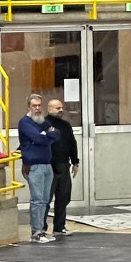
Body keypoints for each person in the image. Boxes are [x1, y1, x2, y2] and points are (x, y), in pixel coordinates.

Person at [18, 94, 57, 244]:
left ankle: (42, 229)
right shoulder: (25, 123)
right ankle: (36, 233)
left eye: (39, 105)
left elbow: (57, 134)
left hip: (47, 164)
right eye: (34, 106)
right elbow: (38, 138)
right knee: (37, 200)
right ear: (29, 106)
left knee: (45, 199)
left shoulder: (43, 121)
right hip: (34, 166)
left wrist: (47, 134)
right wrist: (47, 135)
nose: (37, 108)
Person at [44, 97, 79, 238]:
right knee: (46, 198)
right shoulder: (43, 124)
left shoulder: (65, 125)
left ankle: (59, 226)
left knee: (63, 197)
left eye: (61, 108)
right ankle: (41, 228)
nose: (61, 110)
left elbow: (72, 143)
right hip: (48, 165)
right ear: (49, 109)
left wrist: (75, 161)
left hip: (63, 164)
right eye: (57, 108)